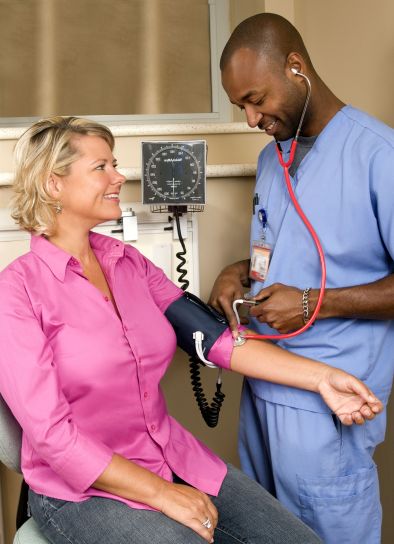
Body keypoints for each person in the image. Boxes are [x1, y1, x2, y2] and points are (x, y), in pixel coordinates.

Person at [0, 117, 383, 544]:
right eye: (101, 167)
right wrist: (163, 494)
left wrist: (321, 377)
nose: (119, 176)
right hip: (80, 490)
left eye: (115, 164)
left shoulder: (127, 262)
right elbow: (52, 436)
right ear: (54, 185)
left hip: (170, 455)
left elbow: (216, 340)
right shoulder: (17, 291)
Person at [209, 12, 394, 544]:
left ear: (296, 68)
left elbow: (312, 286)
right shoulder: (274, 160)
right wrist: (235, 271)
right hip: (263, 386)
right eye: (241, 106)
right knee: (267, 532)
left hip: (329, 402)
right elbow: (288, 252)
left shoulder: (377, 156)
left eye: (256, 99)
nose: (249, 118)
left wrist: (313, 302)